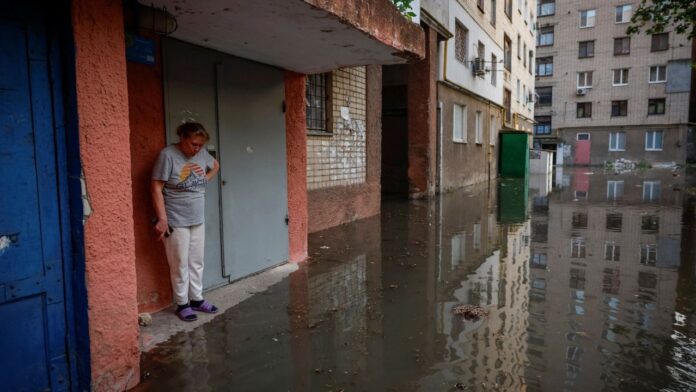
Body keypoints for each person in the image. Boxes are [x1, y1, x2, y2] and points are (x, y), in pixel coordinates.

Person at [152, 122, 220, 321]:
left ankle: (197, 300)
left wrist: (204, 179)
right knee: (179, 262)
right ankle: (182, 304)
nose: (197, 149)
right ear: (181, 137)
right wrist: (162, 218)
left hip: (197, 218)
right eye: (193, 144)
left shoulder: (201, 154)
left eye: (200, 145)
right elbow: (156, 187)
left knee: (196, 261)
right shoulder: (168, 155)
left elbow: (215, 165)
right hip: (176, 219)